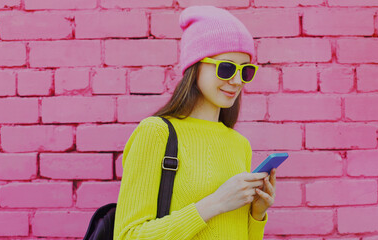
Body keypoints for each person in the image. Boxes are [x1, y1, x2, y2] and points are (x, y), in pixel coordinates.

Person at [113, 5, 276, 240]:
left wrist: (256, 214)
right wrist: (215, 203)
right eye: (227, 68)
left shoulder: (239, 144)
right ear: (196, 65)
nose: (238, 80)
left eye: (246, 70)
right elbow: (128, 235)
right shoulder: (156, 132)